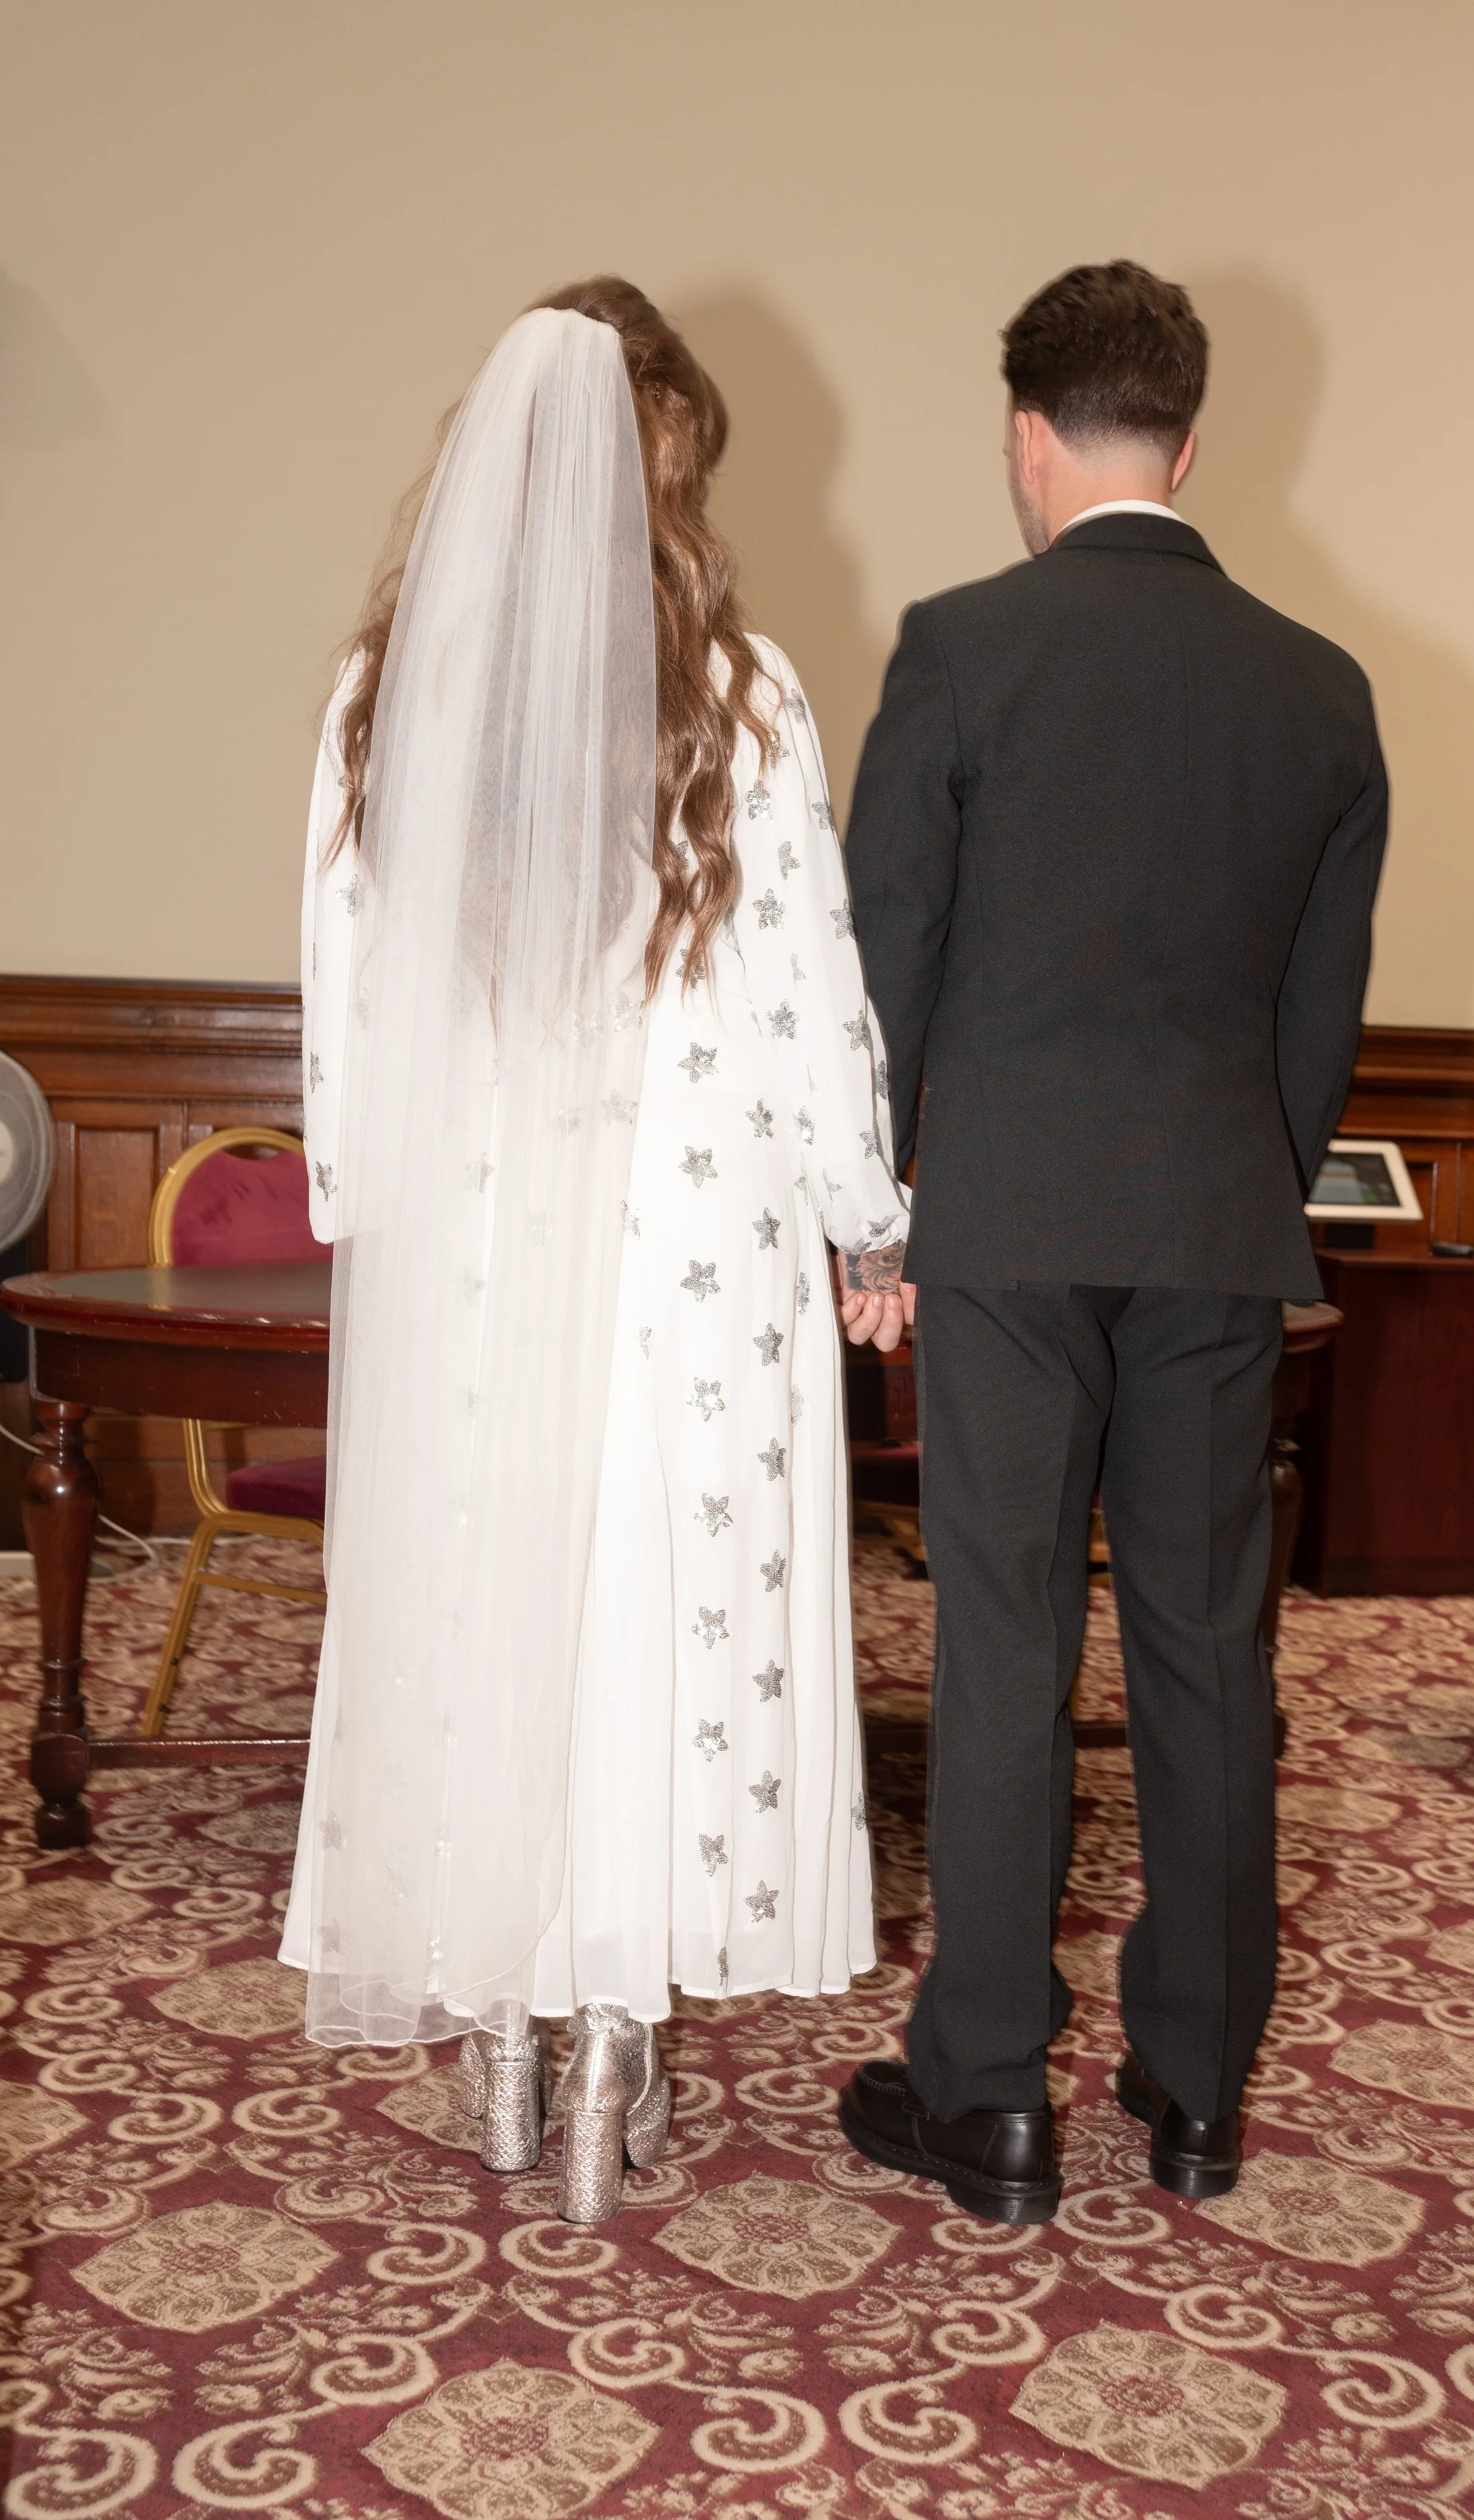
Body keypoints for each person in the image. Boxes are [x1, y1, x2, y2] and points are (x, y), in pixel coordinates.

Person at [280, 280, 910, 2223]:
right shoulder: (748, 692)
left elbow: (343, 985)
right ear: (676, 465)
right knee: (665, 1610)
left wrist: (357, 1203)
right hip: (696, 1260)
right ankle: (619, 2032)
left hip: (479, 1249)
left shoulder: (390, 691)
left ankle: (505, 2040)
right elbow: (811, 981)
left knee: (499, 1612)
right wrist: (863, 1214)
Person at [838, 260, 1387, 2225]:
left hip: (994, 1218)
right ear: (1188, 436)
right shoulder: (1317, 687)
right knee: (1201, 1647)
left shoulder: (961, 647)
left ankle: (984, 2097)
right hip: (1215, 1230)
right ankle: (1197, 2090)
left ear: (1026, 435)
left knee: (1003, 1634)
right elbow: (1313, 1024)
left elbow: (882, 959)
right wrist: (1240, 1185)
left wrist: (868, 1213)